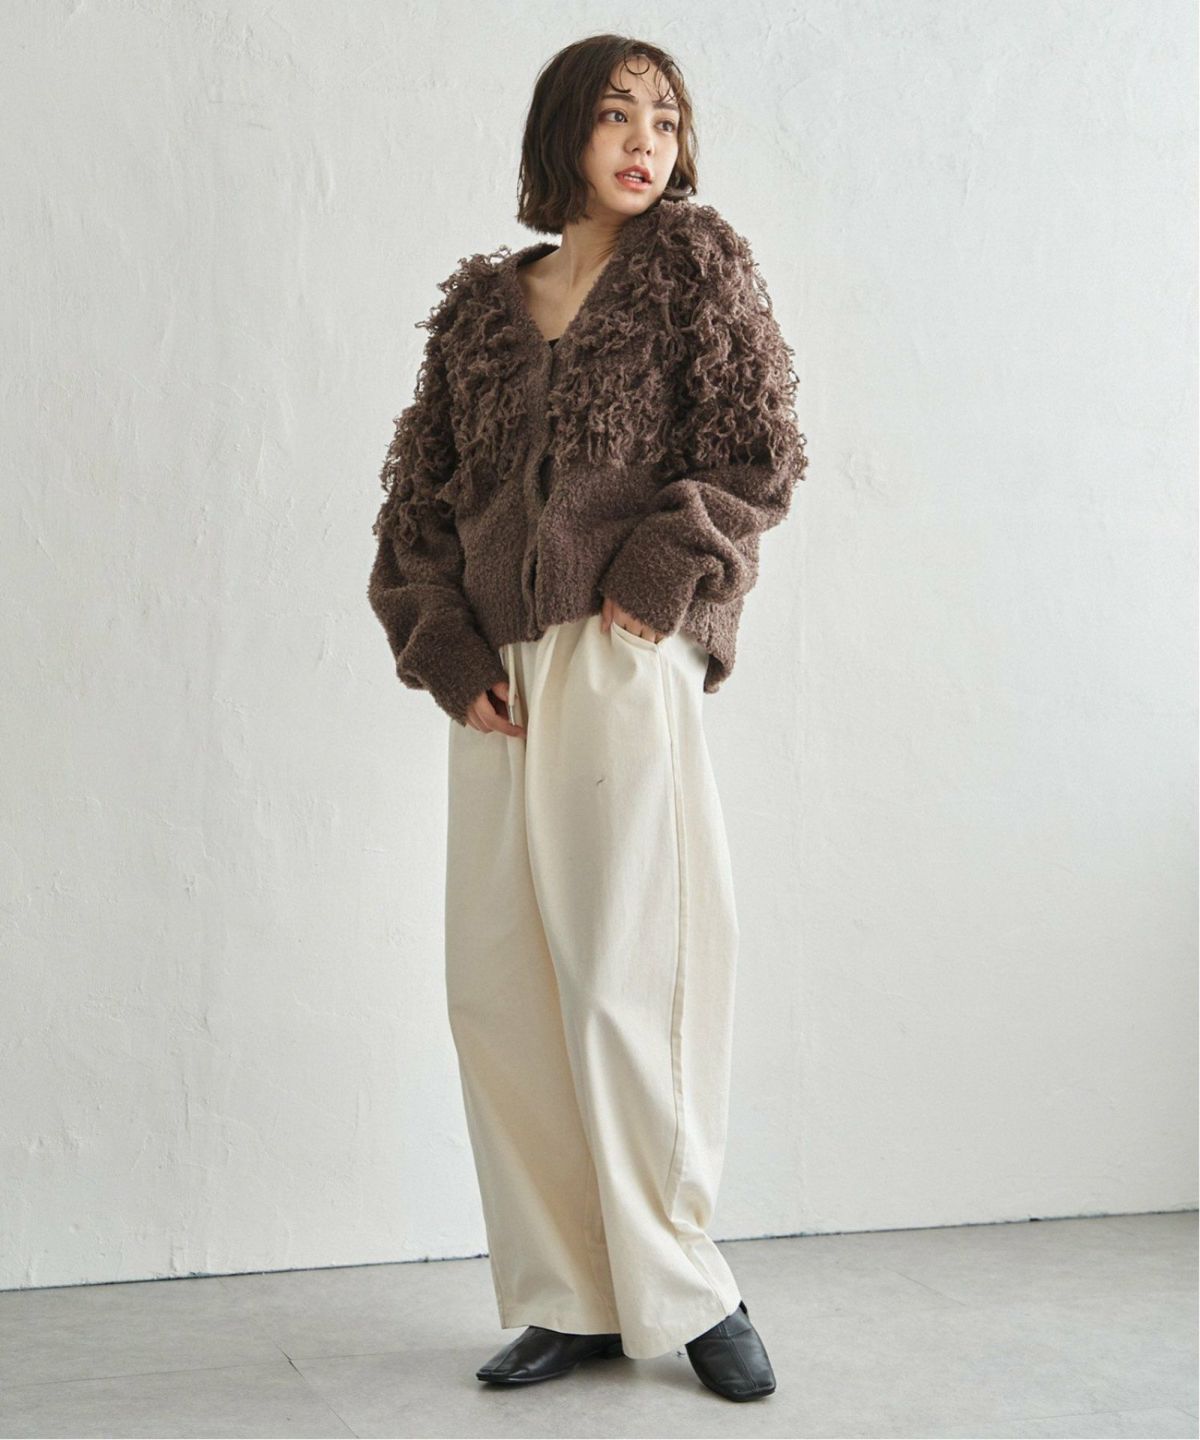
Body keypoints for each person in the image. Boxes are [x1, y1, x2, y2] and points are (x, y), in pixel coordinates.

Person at [368, 34, 807, 1402]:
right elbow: (416, 505)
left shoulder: (693, 268)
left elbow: (758, 453)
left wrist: (661, 577)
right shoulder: (481, 311)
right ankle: (569, 1292)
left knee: (635, 974)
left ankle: (688, 1282)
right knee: (499, 987)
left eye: (665, 119)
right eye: (618, 114)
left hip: (622, 649)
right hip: (496, 675)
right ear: (562, 131)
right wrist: (444, 646)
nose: (644, 142)